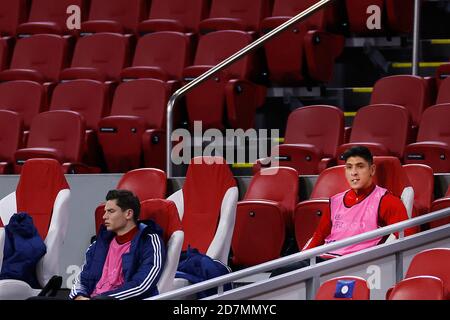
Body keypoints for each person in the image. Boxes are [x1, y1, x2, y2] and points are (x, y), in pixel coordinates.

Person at [271, 146, 409, 276]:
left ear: (372, 170)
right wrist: (300, 259)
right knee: (280, 273)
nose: (354, 172)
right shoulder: (335, 201)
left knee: (281, 275)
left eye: (360, 166)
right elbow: (319, 236)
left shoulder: (387, 201)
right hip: (324, 260)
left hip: (352, 265)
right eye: (349, 167)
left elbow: (407, 237)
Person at [69, 189, 166, 300]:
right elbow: (81, 279)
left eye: (110, 211)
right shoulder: (98, 244)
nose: (104, 216)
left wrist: (103, 298)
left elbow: (142, 285)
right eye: (105, 211)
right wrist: (78, 296)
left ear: (128, 214)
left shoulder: (149, 242)